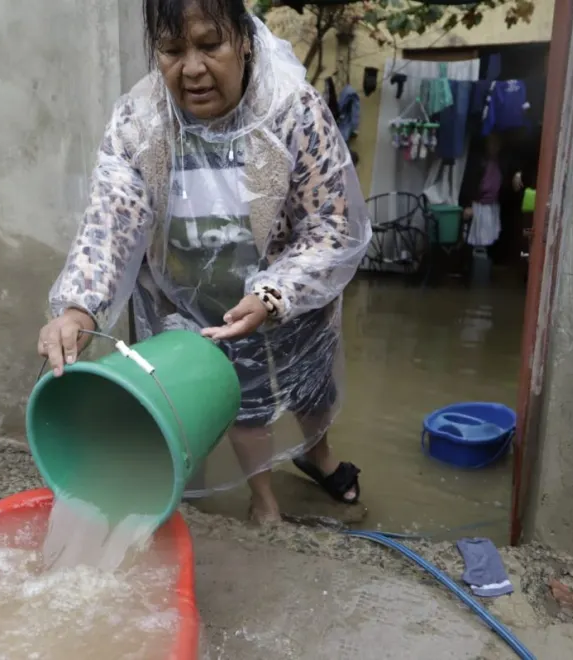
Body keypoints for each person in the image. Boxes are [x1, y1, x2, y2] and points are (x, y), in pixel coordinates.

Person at [37, 0, 371, 524]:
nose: (191, 69)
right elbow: (110, 222)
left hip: (283, 294)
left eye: (209, 46)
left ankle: (317, 455)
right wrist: (80, 306)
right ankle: (264, 500)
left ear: (242, 39)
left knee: (313, 389)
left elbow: (331, 228)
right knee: (243, 401)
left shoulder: (291, 110)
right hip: (184, 296)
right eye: (172, 51)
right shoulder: (140, 119)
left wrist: (274, 294)